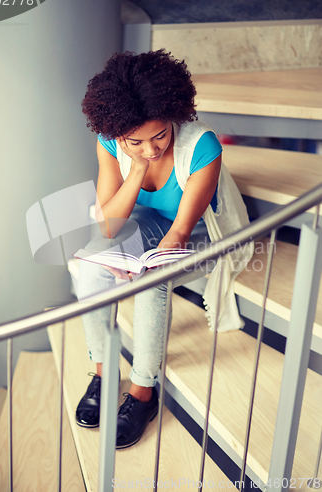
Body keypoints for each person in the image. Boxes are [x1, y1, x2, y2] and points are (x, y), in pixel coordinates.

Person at [75, 49, 252, 449]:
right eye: (135, 141)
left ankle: (143, 391)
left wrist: (138, 264)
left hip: (201, 234)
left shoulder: (202, 147)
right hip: (145, 224)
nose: (152, 150)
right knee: (91, 268)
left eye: (160, 135)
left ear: (173, 116)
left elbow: (178, 236)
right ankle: (104, 374)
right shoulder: (111, 141)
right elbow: (108, 225)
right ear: (118, 133)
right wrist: (135, 169)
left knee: (152, 278)